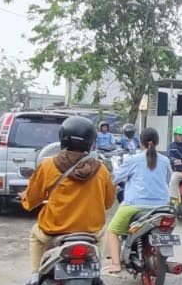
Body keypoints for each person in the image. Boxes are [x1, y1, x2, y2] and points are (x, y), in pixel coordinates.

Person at [20, 115, 114, 269]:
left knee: (35, 235)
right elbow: (109, 202)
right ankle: (96, 274)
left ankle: (35, 276)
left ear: (62, 138)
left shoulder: (48, 165)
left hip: (53, 232)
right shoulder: (101, 169)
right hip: (90, 234)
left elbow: (32, 200)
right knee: (103, 232)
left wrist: (26, 200)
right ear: (90, 142)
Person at [106, 127, 171, 274]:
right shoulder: (165, 160)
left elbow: (115, 178)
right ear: (157, 142)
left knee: (112, 231)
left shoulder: (132, 160)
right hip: (163, 206)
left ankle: (116, 264)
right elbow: (167, 180)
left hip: (135, 205)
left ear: (140, 142)